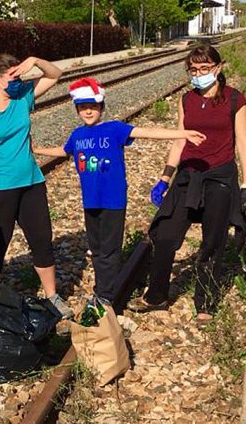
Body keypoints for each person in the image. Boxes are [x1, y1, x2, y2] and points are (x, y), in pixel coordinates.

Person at [33, 78, 206, 304]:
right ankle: (102, 288)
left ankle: (106, 294)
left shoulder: (114, 129)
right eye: (83, 108)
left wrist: (182, 134)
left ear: (102, 108)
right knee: (96, 248)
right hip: (90, 201)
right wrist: (37, 149)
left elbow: (147, 132)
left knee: (110, 249)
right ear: (77, 110)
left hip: (113, 200)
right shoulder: (77, 135)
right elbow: (64, 151)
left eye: (93, 107)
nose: (88, 111)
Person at [141, 44, 246, 324]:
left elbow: (243, 142)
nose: (199, 74)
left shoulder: (234, 100)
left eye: (205, 68)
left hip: (219, 177)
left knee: (212, 242)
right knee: (165, 236)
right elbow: (179, 139)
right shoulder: (186, 100)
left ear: (218, 67)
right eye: (193, 69)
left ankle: (205, 302)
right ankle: (156, 296)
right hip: (187, 176)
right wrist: (165, 177)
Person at [0, 53, 74, 319]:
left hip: (31, 182)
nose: (18, 82)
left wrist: (36, 61)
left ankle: (52, 295)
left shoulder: (23, 97)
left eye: (20, 76)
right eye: (12, 77)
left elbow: (55, 75)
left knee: (41, 239)